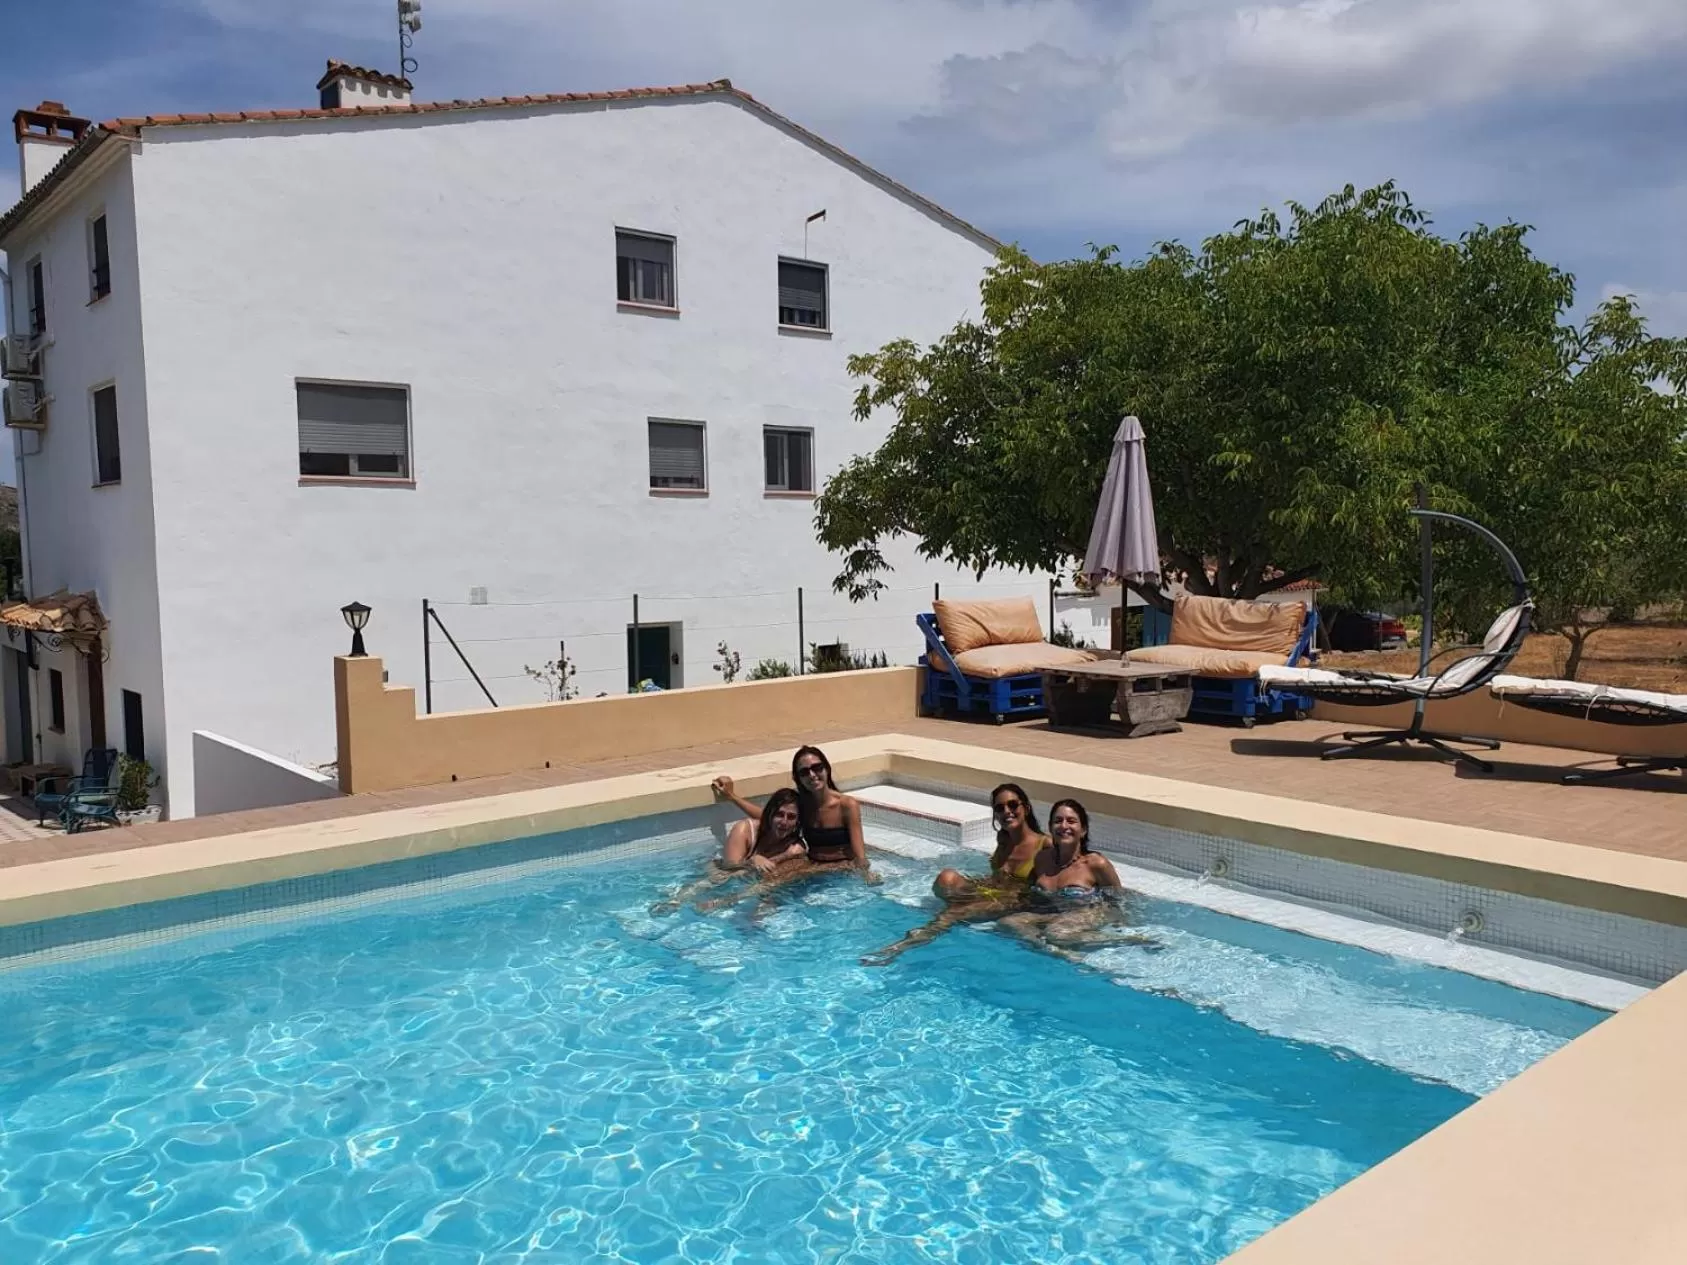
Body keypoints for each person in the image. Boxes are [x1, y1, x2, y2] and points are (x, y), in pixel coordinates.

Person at [858, 783, 1052, 966]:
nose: (1007, 811)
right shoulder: (1004, 838)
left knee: (953, 913)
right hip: (991, 892)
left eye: (1013, 805)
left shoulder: (1045, 845)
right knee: (946, 877)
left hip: (1014, 902)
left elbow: (1052, 885)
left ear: (1026, 808)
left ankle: (901, 947)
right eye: (1000, 808)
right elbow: (997, 876)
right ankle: (961, 912)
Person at [999, 798, 1158, 954]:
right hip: (1054, 914)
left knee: (1057, 933)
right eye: (1058, 821)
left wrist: (1122, 927)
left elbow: (1118, 898)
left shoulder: (1096, 864)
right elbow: (1029, 891)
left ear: (1083, 830)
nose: (1064, 826)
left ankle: (1128, 940)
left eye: (1071, 821)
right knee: (1009, 922)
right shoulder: (1042, 859)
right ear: (1051, 828)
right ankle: (1051, 949)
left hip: (1088, 913)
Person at [711, 745, 879, 882]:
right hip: (812, 868)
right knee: (766, 883)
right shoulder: (803, 804)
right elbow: (768, 815)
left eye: (817, 768)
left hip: (844, 868)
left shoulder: (847, 805)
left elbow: (860, 855)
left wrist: (865, 875)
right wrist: (732, 796)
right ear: (798, 778)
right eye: (804, 772)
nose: (812, 775)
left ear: (826, 769)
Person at [650, 788, 808, 914]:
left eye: (791, 817)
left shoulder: (795, 848)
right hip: (720, 869)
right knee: (720, 878)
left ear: (797, 822)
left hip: (749, 880)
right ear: (770, 814)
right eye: (779, 814)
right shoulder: (745, 830)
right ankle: (675, 901)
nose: (784, 822)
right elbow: (730, 870)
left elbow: (774, 880)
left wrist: (785, 856)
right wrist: (754, 860)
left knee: (769, 890)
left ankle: (726, 907)